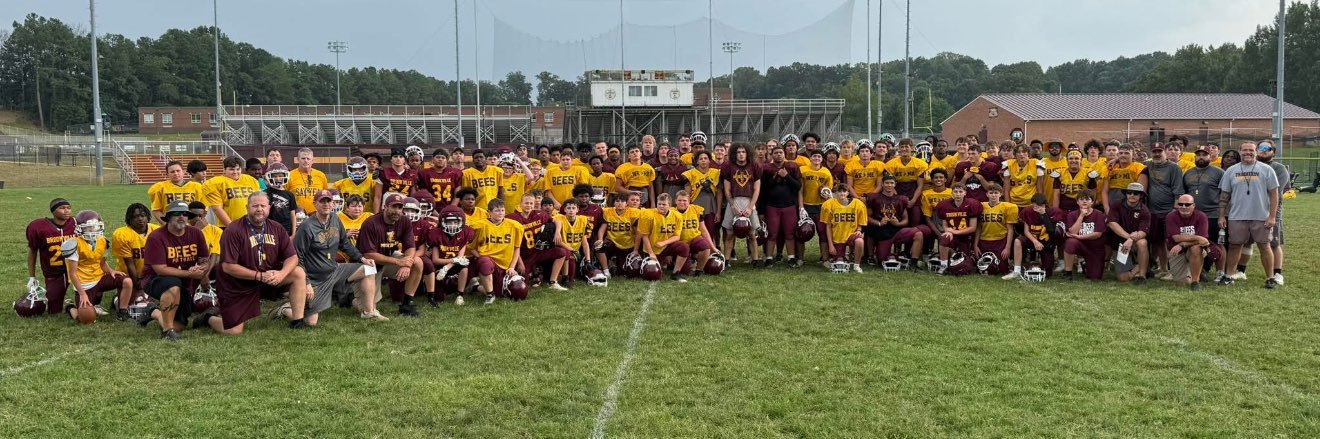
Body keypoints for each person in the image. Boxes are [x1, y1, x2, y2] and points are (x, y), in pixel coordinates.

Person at [194, 192, 311, 334]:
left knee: (298, 272)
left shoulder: (276, 228)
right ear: (247, 207)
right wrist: (259, 276)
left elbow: (292, 257)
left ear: (270, 207)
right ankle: (208, 317)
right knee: (233, 331)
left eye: (263, 205)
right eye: (255, 206)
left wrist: (281, 274)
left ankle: (297, 321)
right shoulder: (233, 230)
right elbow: (228, 266)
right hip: (238, 284)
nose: (259, 209)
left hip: (267, 278)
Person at [292, 190, 388, 324]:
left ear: (333, 204)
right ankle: (284, 309)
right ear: (315, 204)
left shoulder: (335, 219)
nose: (326, 204)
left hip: (335, 269)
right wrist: (306, 283)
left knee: (369, 269)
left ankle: (369, 312)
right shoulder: (306, 227)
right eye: (322, 201)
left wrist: (362, 259)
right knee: (311, 322)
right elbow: (298, 257)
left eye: (329, 201)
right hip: (317, 279)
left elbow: (344, 243)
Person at [138, 202, 211, 340]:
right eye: (177, 214)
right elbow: (160, 270)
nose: (181, 217)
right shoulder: (156, 237)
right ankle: (167, 332)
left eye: (185, 214)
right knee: (172, 284)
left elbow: (204, 259)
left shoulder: (196, 233)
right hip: (154, 279)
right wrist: (190, 273)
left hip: (184, 281)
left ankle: (153, 311)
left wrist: (201, 268)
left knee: (179, 325)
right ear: (169, 217)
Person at [1218, 142, 1280, 288]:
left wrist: (1272, 216)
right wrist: (1221, 216)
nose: (1248, 152)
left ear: (1256, 152)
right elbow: (1224, 196)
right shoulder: (1231, 171)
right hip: (1237, 216)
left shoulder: (1266, 169)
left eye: (1251, 150)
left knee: (1264, 246)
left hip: (1260, 216)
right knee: (1235, 246)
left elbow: (1274, 195)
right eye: (1244, 150)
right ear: (1240, 151)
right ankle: (1229, 276)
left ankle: (1270, 278)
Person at [356, 193, 424, 316]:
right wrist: (399, 262)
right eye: (393, 207)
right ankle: (353, 297)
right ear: (385, 207)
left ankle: (407, 303)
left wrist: (406, 264)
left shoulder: (404, 221)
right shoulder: (370, 223)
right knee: (366, 308)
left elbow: (410, 247)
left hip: (387, 260)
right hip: (368, 266)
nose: (397, 211)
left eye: (399, 208)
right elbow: (369, 254)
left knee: (417, 262)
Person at [60, 210, 132, 320]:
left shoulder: (102, 240)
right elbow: (72, 274)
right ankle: (70, 307)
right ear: (80, 228)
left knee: (127, 281)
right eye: (88, 227)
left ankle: (123, 311)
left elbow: (101, 261)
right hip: (84, 284)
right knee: (86, 319)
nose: (92, 230)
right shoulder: (73, 244)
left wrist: (111, 271)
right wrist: (82, 293)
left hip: (99, 278)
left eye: (95, 227)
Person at [1183, 147, 1226, 280]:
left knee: (1217, 243)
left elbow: (1225, 194)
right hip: (1193, 215)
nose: (1201, 157)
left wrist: (1222, 215)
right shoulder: (1188, 173)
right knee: (1197, 243)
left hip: (1213, 214)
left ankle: (1220, 272)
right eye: (1198, 155)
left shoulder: (1219, 172)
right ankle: (1201, 270)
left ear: (1210, 156)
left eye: (1204, 155)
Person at [472, 199, 526, 304]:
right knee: (485, 263)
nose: (501, 213)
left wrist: (512, 266)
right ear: (489, 212)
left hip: (505, 265)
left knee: (500, 293)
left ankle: (476, 287)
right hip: (488, 260)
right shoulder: (480, 225)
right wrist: (480, 258)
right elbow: (471, 247)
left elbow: (516, 248)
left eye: (502, 210)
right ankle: (489, 295)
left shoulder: (515, 226)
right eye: (497, 210)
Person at [109, 203, 157, 319]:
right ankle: (117, 299)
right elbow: (129, 263)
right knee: (131, 304)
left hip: (150, 274)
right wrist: (139, 287)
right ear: (129, 219)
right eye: (135, 217)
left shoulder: (156, 230)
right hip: (129, 275)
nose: (140, 219)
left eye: (142, 215)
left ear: (148, 216)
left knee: (150, 301)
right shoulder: (122, 234)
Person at [1144, 143, 1185, 278]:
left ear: (1165, 152)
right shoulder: (1147, 165)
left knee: (1169, 241)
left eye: (1159, 151)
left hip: (1168, 210)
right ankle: (1162, 269)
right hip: (1151, 211)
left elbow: (1178, 190)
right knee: (1157, 241)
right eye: (1154, 151)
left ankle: (1172, 270)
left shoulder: (1174, 168)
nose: (1157, 154)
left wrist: (1175, 210)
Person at [865, 176, 924, 268]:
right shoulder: (874, 198)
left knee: (918, 234)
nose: (889, 185)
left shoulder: (901, 199)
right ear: (882, 184)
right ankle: (874, 256)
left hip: (896, 230)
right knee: (882, 260)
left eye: (892, 183)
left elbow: (906, 220)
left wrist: (898, 223)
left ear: (895, 185)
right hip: (882, 233)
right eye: (887, 183)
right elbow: (867, 217)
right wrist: (879, 223)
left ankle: (913, 262)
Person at [760, 143, 803, 266]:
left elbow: (798, 186)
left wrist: (787, 176)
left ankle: (791, 257)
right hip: (772, 206)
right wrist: (761, 211)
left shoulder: (792, 166)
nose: (779, 155)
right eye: (776, 153)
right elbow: (763, 190)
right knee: (772, 233)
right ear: (771, 155)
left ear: (784, 154)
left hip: (789, 205)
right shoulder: (766, 168)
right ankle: (768, 258)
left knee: (789, 233)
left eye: (781, 153)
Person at [720, 143, 762, 263]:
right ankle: (726, 260)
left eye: (743, 152)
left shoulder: (754, 166)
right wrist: (733, 205)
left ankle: (755, 259)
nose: (741, 154)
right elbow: (727, 189)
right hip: (734, 201)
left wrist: (750, 207)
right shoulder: (728, 167)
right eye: (738, 152)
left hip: (749, 201)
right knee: (729, 233)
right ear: (734, 153)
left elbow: (757, 189)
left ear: (747, 153)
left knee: (752, 234)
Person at [1166, 194, 1217, 290]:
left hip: (1191, 248)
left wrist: (1182, 244)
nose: (1183, 207)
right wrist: (1197, 237)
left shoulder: (1201, 216)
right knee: (1183, 283)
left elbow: (1202, 241)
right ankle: (1196, 272)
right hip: (1176, 251)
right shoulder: (1171, 216)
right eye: (1180, 204)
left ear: (1193, 205)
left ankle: (1195, 281)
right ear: (1177, 205)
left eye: (1187, 204)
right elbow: (1176, 238)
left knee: (1196, 248)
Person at [1256, 140, 1289, 286]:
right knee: (1246, 241)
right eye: (1261, 148)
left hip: (1271, 210)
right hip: (1253, 209)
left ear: (1273, 152)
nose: (1263, 150)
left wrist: (1272, 215)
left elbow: (1273, 190)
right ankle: (1241, 270)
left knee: (1273, 242)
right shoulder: (1251, 166)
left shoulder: (1279, 168)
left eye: (1267, 148)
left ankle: (1277, 274)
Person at [637, 193, 691, 282]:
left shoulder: (677, 215)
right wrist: (651, 253)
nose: (661, 206)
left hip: (666, 246)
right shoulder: (648, 214)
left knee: (684, 247)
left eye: (664, 204)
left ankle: (675, 273)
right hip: (653, 248)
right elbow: (644, 236)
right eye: (659, 204)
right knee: (652, 275)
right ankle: (660, 263)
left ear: (669, 205)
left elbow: (677, 237)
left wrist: (663, 243)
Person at [1106, 183, 1152, 283]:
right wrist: (1128, 238)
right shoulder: (1116, 204)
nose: (1132, 195)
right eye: (1129, 192)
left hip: (1135, 242)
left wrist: (1131, 240)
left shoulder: (1145, 210)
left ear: (1141, 196)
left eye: (1136, 193)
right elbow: (1112, 223)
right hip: (1119, 243)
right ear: (1125, 194)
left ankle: (1142, 276)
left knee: (1142, 242)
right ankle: (1141, 266)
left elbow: (1143, 232)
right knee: (1122, 278)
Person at [933, 183, 982, 274]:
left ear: (965, 193)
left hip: (967, 238)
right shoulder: (944, 205)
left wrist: (955, 232)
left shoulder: (972, 204)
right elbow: (945, 226)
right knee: (945, 237)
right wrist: (949, 232)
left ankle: (956, 259)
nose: (958, 194)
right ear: (952, 193)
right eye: (955, 192)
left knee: (965, 267)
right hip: (953, 237)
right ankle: (943, 265)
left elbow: (973, 228)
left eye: (960, 191)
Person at [821, 182, 867, 273]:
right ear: (835, 193)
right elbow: (828, 226)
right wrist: (831, 245)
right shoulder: (828, 204)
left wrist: (859, 229)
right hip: (837, 237)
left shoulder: (858, 204)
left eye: (844, 191)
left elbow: (861, 221)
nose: (842, 193)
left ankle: (856, 265)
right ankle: (842, 256)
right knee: (840, 262)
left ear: (848, 193)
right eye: (839, 191)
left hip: (851, 235)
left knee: (860, 240)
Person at [1061, 190, 1107, 281]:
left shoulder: (1099, 214)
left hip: (1094, 247)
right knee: (1070, 242)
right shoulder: (1072, 214)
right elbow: (1073, 231)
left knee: (1095, 277)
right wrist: (1081, 216)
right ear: (1077, 202)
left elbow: (1098, 234)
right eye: (1081, 199)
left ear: (1092, 202)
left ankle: (1085, 265)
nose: (1084, 201)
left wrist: (1080, 237)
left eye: (1087, 199)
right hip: (1079, 244)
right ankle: (1068, 272)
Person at [204, 156, 262, 227]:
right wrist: (232, 227)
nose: (235, 172)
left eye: (238, 169)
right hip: (227, 226)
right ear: (224, 170)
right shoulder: (215, 183)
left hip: (251, 225)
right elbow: (217, 209)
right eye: (231, 169)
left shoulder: (251, 180)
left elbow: (258, 203)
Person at [596, 192, 642, 276]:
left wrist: (635, 249)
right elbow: (602, 229)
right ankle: (606, 271)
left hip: (627, 244)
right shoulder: (608, 212)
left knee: (621, 272)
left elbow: (637, 233)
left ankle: (614, 264)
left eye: (622, 201)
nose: (620, 203)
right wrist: (600, 239)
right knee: (599, 246)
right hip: (612, 242)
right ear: (614, 203)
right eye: (617, 201)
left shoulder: (633, 213)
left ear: (627, 203)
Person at [799, 149, 834, 263]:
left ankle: (825, 259)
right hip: (806, 205)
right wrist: (801, 207)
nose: (816, 159)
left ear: (822, 159)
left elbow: (829, 193)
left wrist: (826, 193)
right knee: (801, 232)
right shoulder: (803, 170)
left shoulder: (826, 172)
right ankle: (800, 258)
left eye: (819, 157)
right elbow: (800, 190)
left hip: (820, 207)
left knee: (822, 233)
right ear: (810, 158)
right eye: (814, 156)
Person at [975, 183, 1017, 275]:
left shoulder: (1007, 207)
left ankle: (1009, 263)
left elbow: (1010, 229)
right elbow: (978, 228)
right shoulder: (981, 206)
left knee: (1001, 268)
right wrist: (975, 245)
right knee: (983, 266)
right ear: (987, 194)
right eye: (991, 193)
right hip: (984, 240)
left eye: (996, 193)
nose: (993, 195)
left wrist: (1007, 247)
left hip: (1000, 240)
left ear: (1000, 194)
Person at [262, 162, 300, 233]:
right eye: (275, 176)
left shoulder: (290, 195)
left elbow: (293, 215)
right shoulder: (264, 193)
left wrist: (294, 233)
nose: (277, 178)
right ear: (269, 177)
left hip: (286, 230)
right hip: (270, 229)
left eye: (280, 176)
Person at [1106, 143, 1147, 210]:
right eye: (1121, 153)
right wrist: (1107, 209)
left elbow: (1141, 193)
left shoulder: (1140, 168)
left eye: (1127, 153)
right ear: (1117, 155)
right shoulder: (1111, 168)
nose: (1123, 155)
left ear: (1133, 155)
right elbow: (1105, 191)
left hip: (1131, 208)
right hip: (1112, 207)